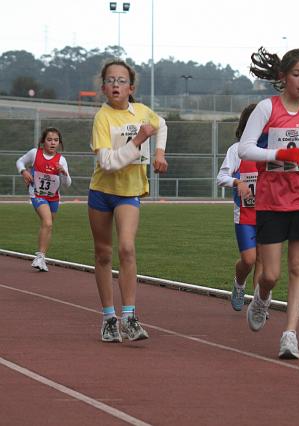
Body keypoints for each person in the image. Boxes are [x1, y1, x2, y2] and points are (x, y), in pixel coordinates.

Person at [238, 47, 299, 359]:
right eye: (296, 74)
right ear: (283, 77)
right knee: (271, 274)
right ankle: (262, 297)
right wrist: (278, 155)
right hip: (272, 199)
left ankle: (290, 334)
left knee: (298, 266)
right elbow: (244, 150)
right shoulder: (266, 109)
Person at [89, 59, 168, 343]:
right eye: (110, 80)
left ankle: (130, 316)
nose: (115, 85)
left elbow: (162, 125)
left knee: (126, 247)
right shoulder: (103, 118)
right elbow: (108, 162)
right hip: (102, 190)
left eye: (121, 81)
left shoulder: (142, 112)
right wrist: (137, 142)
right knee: (103, 254)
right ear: (103, 87)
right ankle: (109, 317)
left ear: (131, 87)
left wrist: (158, 152)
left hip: (130, 191)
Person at [216, 103, 263, 312]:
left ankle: (259, 304)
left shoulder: (270, 150)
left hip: (268, 214)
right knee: (249, 259)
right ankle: (239, 284)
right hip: (244, 215)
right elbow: (221, 177)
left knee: (262, 259)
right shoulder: (237, 150)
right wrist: (238, 183)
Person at [16, 127, 72, 272]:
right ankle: (39, 257)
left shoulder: (61, 160)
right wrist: (24, 171)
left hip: (53, 197)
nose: (53, 143)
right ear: (43, 141)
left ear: (59, 143)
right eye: (49, 140)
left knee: (48, 226)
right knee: (47, 222)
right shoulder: (35, 153)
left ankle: (42, 258)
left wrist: (64, 173)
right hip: (37, 194)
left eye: (56, 140)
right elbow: (20, 162)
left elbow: (67, 184)